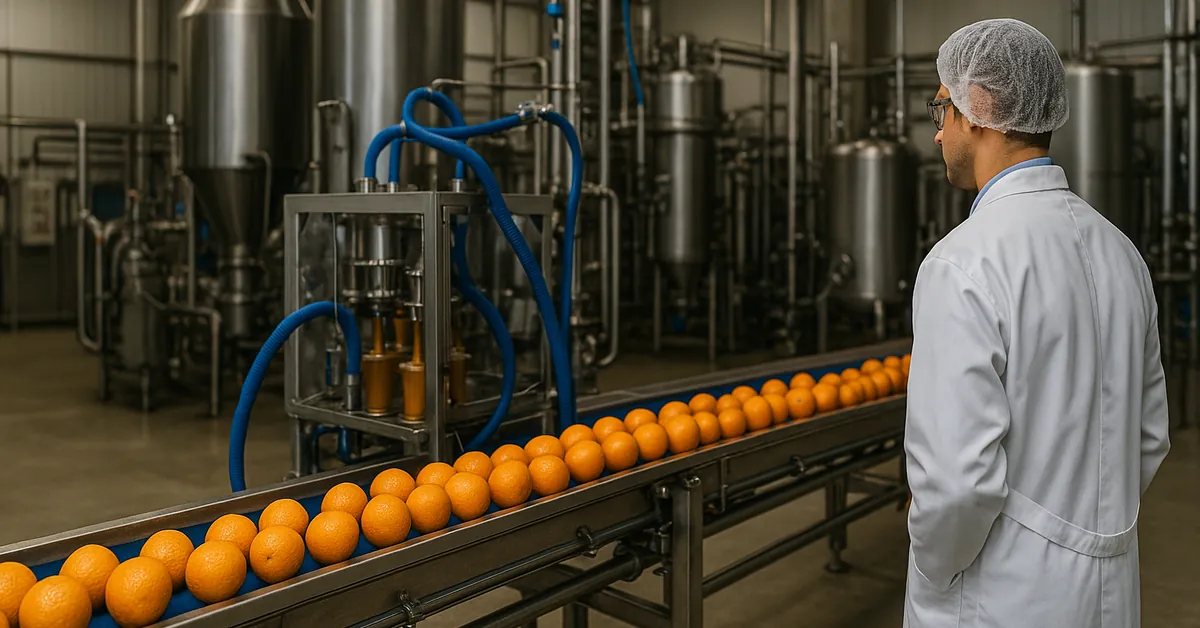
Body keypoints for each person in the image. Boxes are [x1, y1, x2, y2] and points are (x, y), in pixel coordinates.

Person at [905, 18, 1170, 628]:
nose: (938, 134)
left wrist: (931, 568)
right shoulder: (1121, 251)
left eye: (941, 108)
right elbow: (1149, 436)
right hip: (1108, 587)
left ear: (979, 110)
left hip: (1001, 597)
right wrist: (1086, 526)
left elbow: (956, 485)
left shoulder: (961, 262)